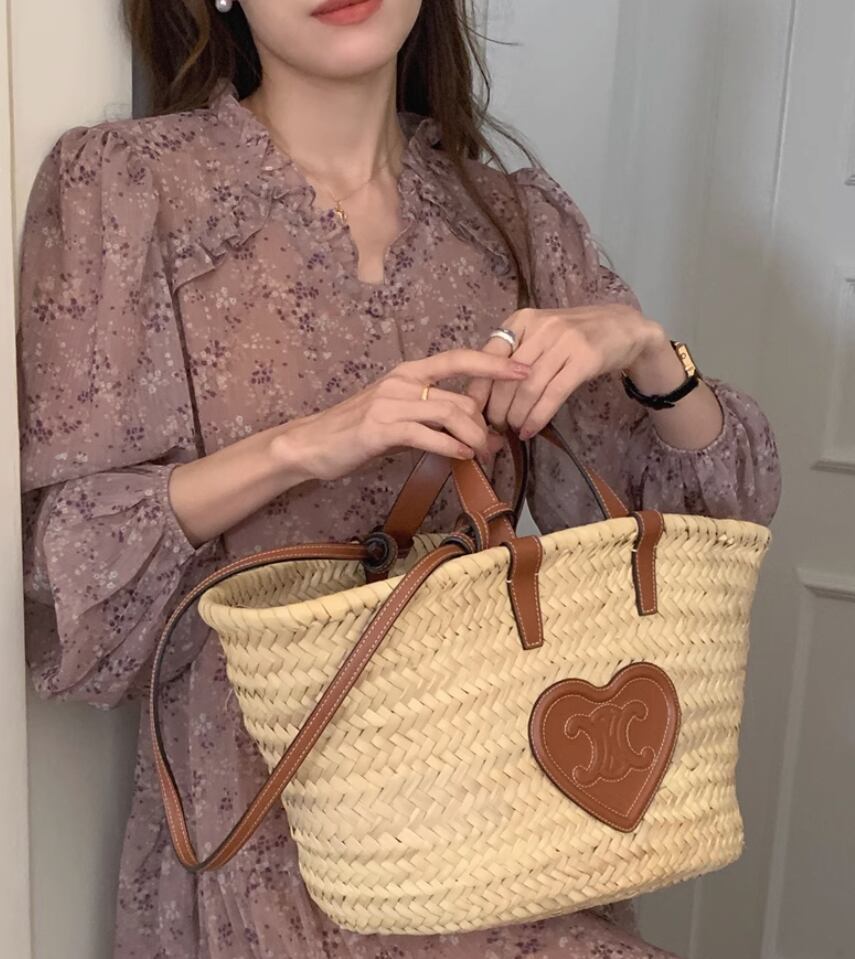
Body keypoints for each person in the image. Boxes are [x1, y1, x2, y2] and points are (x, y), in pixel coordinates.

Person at [16, 1, 782, 957]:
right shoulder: (128, 187)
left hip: (495, 820)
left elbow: (705, 530)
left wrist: (648, 353)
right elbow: (71, 581)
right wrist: (306, 444)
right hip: (265, 825)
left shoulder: (511, 218)